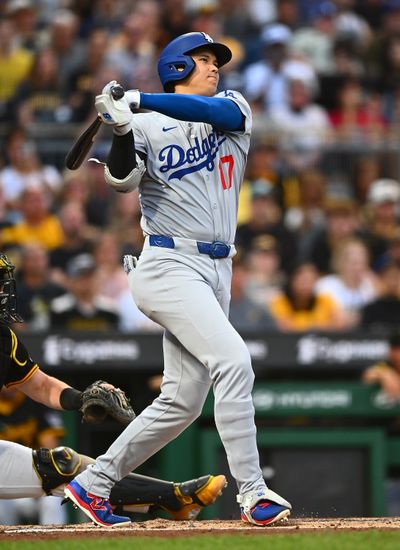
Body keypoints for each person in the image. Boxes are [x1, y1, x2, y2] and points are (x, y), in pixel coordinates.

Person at [64, 31, 292, 528]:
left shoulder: (233, 107)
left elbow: (218, 116)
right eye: (203, 60)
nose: (214, 67)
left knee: (183, 401)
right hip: (167, 264)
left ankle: (94, 483)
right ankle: (253, 493)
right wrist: (123, 128)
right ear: (176, 68)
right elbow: (121, 180)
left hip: (217, 268)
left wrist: (137, 99)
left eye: (215, 60)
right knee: (234, 361)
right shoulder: (144, 126)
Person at [0, 251, 226, 521]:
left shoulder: (4, 339)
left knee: (63, 466)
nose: (2, 290)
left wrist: (81, 399)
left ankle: (172, 498)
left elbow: (41, 386)